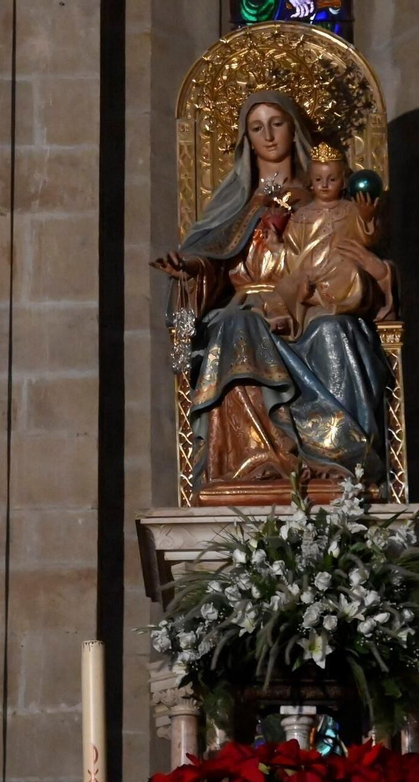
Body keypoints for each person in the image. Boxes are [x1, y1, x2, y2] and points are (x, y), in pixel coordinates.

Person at [152, 91, 392, 502]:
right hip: (248, 305)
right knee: (235, 326)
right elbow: (214, 256)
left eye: (277, 123)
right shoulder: (235, 204)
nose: (268, 135)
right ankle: (257, 461)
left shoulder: (323, 197)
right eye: (256, 127)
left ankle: (339, 458)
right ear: (246, 138)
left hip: (314, 299)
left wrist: (372, 272)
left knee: (335, 331)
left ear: (293, 128)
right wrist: (191, 269)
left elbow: (362, 253)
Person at [276, 141, 386, 328]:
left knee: (353, 273)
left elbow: (367, 241)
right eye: (318, 180)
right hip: (310, 272)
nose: (325, 185)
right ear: (310, 181)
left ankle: (325, 301)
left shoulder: (352, 210)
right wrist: (276, 248)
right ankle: (309, 296)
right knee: (289, 283)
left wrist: (367, 219)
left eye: (332, 180)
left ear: (343, 181)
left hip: (340, 268)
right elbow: (293, 250)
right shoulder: (302, 214)